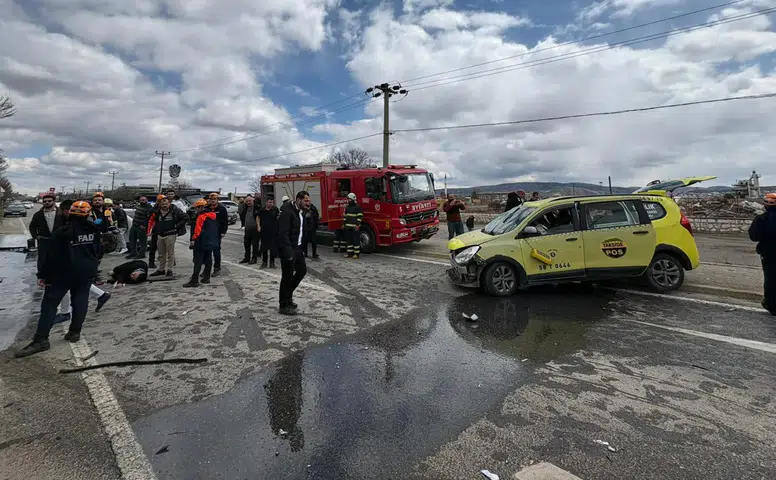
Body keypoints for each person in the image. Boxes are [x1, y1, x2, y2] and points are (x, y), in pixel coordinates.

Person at [15, 201, 102, 357]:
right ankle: (75, 332)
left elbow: (50, 256)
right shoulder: (94, 230)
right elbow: (99, 251)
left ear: (69, 213)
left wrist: (42, 274)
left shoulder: (62, 232)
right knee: (81, 301)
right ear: (88, 214)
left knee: (49, 304)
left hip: (62, 274)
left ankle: (41, 340)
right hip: (85, 272)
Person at [277, 191, 310, 315]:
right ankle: (284, 304)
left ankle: (288, 295)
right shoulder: (287, 212)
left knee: (302, 271)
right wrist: (287, 251)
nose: (308, 203)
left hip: (298, 248)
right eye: (306, 201)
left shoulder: (301, 212)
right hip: (288, 249)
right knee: (287, 276)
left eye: (308, 201)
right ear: (298, 200)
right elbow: (283, 233)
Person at [749, 192, 776, 315]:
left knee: (770, 279)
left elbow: (754, 236)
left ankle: (771, 305)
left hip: (768, 254)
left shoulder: (761, 219)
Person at [147, 196, 187, 277]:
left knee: (170, 253)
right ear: (160, 204)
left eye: (166, 203)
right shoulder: (157, 212)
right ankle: (161, 269)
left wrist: (177, 226)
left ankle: (169, 269)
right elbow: (152, 220)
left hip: (171, 233)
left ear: (169, 203)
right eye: (162, 204)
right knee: (161, 253)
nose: (164, 205)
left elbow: (186, 217)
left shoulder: (175, 210)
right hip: (160, 234)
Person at [184, 199, 219, 287]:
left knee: (198, 260)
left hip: (201, 241)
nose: (195, 210)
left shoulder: (201, 216)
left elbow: (198, 230)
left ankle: (194, 280)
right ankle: (206, 278)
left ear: (200, 207)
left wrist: (193, 239)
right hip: (211, 241)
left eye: (196, 208)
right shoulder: (213, 215)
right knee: (208, 259)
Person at [30, 193, 66, 274]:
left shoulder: (61, 213)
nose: (47, 202)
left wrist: (64, 236)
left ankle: (59, 275)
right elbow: (32, 227)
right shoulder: (38, 214)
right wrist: (36, 236)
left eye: (49, 201)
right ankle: (42, 276)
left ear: (54, 201)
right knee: (43, 259)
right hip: (44, 240)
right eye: (45, 201)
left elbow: (67, 225)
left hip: (58, 241)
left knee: (59, 258)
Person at [207, 193, 229, 277]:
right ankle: (207, 269)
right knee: (207, 252)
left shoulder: (222, 209)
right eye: (211, 199)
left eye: (214, 199)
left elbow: (225, 222)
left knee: (216, 251)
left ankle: (217, 268)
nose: (213, 201)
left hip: (217, 233)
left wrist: (223, 232)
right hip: (208, 233)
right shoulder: (207, 208)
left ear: (217, 200)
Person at [127, 195, 152, 260]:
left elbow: (149, 218)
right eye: (140, 200)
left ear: (147, 200)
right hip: (134, 225)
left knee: (143, 242)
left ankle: (142, 254)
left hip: (141, 227)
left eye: (143, 200)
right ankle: (133, 252)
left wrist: (144, 225)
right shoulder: (139, 206)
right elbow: (135, 206)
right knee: (132, 239)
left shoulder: (149, 207)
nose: (142, 201)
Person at [258, 197, 279, 269]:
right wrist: (258, 226)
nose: (271, 204)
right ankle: (264, 262)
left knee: (273, 247)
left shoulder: (275, 209)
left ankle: (272, 263)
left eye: (272, 202)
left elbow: (278, 218)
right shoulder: (262, 210)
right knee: (264, 248)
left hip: (273, 231)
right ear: (266, 203)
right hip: (264, 231)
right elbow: (258, 217)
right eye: (270, 202)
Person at [239, 195, 260, 264]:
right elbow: (242, 216)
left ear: (253, 200)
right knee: (246, 244)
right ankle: (247, 258)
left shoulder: (257, 208)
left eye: (249, 201)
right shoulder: (246, 208)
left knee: (255, 245)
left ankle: (254, 258)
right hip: (247, 229)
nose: (248, 202)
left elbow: (259, 218)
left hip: (255, 230)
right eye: (247, 201)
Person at [146, 194, 165, 269]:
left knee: (166, 248)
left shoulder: (170, 208)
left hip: (165, 230)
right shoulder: (154, 210)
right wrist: (149, 231)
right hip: (156, 230)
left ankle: (167, 262)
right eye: (160, 201)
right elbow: (150, 220)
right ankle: (151, 262)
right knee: (153, 247)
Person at [343, 193, 363, 259]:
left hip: (354, 227)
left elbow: (360, 217)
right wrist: (344, 224)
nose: (348, 200)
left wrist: (357, 225)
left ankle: (356, 254)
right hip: (348, 227)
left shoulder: (357, 207)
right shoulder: (347, 207)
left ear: (351, 199)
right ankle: (350, 254)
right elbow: (345, 217)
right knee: (349, 241)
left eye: (348, 199)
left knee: (355, 241)